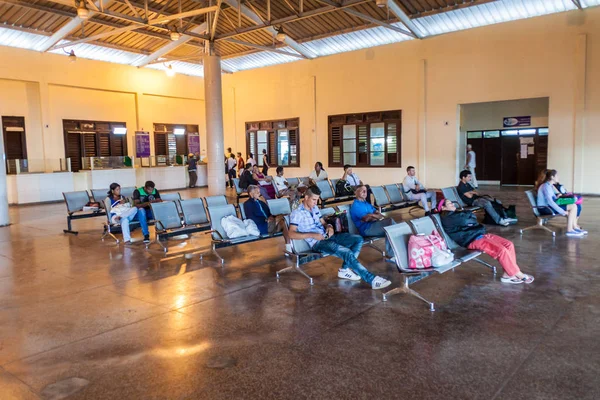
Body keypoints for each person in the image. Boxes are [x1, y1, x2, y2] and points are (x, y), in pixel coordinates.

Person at [289, 185, 392, 290]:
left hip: (329, 236)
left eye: (317, 200)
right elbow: (291, 234)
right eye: (314, 200)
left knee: (358, 239)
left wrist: (329, 227)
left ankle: (344, 269)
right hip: (318, 243)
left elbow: (323, 223)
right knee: (346, 252)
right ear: (306, 198)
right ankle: (372, 279)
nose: (316, 203)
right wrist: (312, 235)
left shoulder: (315, 208)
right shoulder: (297, 213)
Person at [438, 198, 534, 284]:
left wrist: (469, 216)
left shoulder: (454, 214)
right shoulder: (447, 217)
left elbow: (472, 219)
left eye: (452, 203)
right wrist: (469, 216)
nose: (453, 204)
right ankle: (519, 274)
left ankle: (507, 274)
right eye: (449, 204)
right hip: (472, 240)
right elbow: (468, 219)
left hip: (480, 234)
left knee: (509, 244)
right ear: (443, 208)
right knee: (501, 251)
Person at [349, 185, 395, 259]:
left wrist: (371, 215)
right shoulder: (356, 205)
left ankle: (394, 252)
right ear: (356, 192)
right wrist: (373, 216)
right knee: (391, 224)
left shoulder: (366, 203)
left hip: (373, 225)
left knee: (391, 223)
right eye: (362, 190)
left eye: (366, 191)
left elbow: (380, 216)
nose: (365, 192)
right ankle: (392, 255)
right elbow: (366, 219)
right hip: (366, 229)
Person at [536, 169, 586, 237]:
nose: (558, 177)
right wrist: (562, 211)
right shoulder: (546, 186)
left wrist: (557, 196)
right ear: (552, 177)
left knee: (574, 205)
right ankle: (570, 230)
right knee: (573, 206)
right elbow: (550, 202)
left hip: (548, 206)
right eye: (557, 176)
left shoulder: (549, 186)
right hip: (545, 208)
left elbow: (552, 199)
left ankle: (574, 227)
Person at [244, 185, 291, 253]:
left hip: (269, 224)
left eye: (259, 192)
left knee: (284, 221)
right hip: (262, 226)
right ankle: (289, 248)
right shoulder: (248, 204)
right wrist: (265, 220)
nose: (259, 194)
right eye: (257, 192)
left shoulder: (261, 202)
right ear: (251, 194)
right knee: (283, 221)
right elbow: (251, 217)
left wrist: (271, 217)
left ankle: (289, 247)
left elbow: (269, 214)